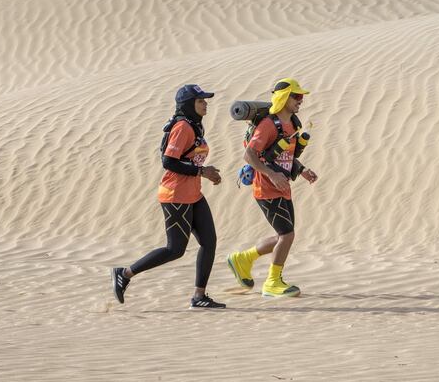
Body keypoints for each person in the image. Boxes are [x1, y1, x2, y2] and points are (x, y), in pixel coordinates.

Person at [111, 84, 226, 309]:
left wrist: (204, 172)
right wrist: (202, 171)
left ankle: (199, 296)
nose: (205, 104)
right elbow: (168, 161)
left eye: (205, 100)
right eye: (201, 100)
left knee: (209, 242)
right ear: (188, 105)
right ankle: (124, 273)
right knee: (175, 249)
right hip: (175, 196)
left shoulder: (195, 125)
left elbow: (189, 159)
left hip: (193, 194)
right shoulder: (183, 127)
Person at [227, 78, 318, 297]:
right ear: (284, 98)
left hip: (283, 186)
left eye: (301, 96)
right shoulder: (268, 124)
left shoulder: (293, 124)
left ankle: (243, 259)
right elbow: (249, 154)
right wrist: (271, 175)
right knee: (286, 235)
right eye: (296, 96)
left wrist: (302, 170)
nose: (300, 100)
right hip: (266, 188)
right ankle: (272, 282)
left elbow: (284, 156)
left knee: (284, 236)